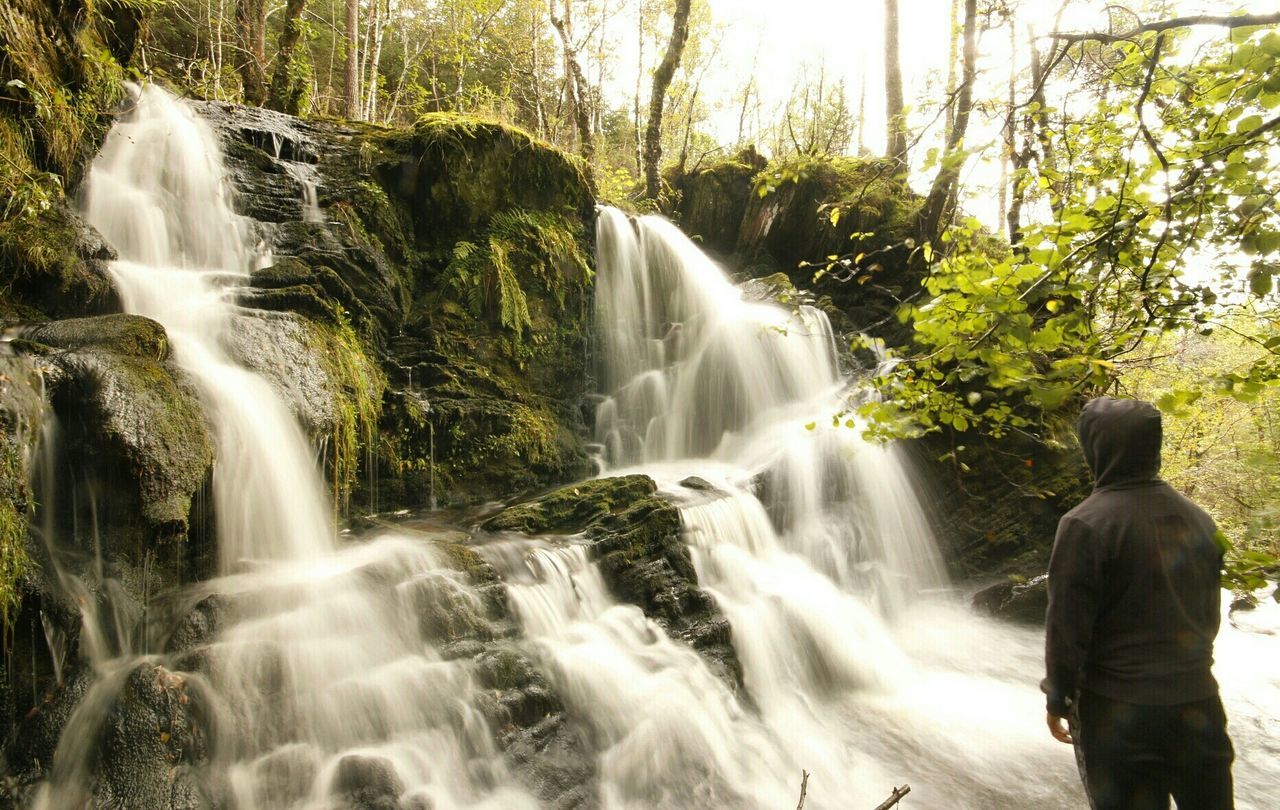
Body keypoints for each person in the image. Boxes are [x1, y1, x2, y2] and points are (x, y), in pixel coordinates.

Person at [1042, 396, 1234, 810]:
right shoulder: (1199, 519)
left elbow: (1066, 627)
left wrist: (1057, 697)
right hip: (1198, 704)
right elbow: (1209, 616)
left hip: (1119, 715)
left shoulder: (1084, 525)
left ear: (1094, 447)